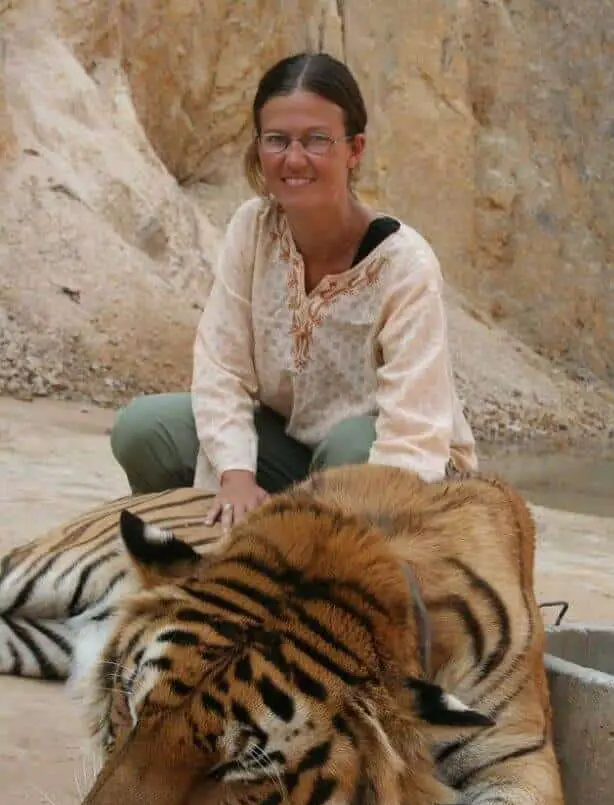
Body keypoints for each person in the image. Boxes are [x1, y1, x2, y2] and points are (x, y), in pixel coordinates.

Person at [110, 52, 478, 530]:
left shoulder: (405, 265)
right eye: (277, 140)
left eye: (317, 140)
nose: (295, 159)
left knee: (349, 448)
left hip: (396, 472)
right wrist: (236, 475)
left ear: (355, 149)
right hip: (294, 454)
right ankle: (197, 553)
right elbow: (222, 366)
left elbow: (413, 434)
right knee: (144, 430)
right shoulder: (253, 229)